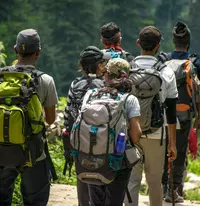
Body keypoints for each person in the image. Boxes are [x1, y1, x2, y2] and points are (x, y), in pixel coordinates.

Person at [0, 29, 58, 206]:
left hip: (1, 148)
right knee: (35, 200)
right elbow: (50, 120)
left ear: (15, 49)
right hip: (33, 151)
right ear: (38, 52)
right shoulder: (45, 80)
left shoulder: (1, 77)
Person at [75, 58, 141, 206]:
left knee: (96, 202)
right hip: (118, 161)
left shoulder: (90, 95)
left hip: (91, 158)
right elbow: (136, 136)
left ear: (105, 75)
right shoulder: (129, 99)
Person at [125, 26, 178, 206]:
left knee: (132, 180)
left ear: (138, 43)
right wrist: (172, 143)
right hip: (157, 135)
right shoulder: (166, 72)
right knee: (154, 182)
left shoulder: (128, 70)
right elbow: (171, 111)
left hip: (131, 133)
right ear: (158, 46)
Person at [62, 46, 110, 206]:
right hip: (103, 141)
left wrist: (67, 144)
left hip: (79, 142)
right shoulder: (105, 84)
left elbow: (68, 115)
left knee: (83, 181)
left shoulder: (75, 84)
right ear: (99, 65)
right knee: (102, 180)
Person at [162, 21, 200, 202]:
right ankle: (175, 190)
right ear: (188, 42)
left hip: (164, 115)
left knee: (164, 151)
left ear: (173, 40)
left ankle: (164, 188)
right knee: (180, 151)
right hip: (185, 115)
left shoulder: (164, 61)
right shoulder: (194, 63)